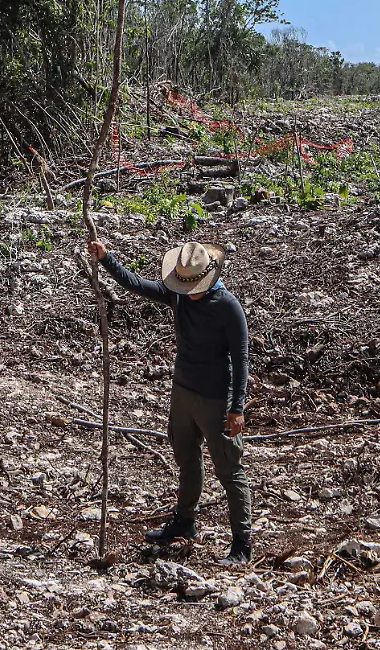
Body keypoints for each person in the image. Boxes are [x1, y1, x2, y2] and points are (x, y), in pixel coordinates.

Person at [88, 238, 253, 564]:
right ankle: (184, 522)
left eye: (192, 284)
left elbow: (242, 358)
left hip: (216, 399)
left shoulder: (228, 307)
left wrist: (237, 408)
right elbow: (135, 284)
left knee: (229, 469)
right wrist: (107, 259)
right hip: (183, 391)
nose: (187, 290)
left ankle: (242, 543)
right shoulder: (178, 293)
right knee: (186, 458)